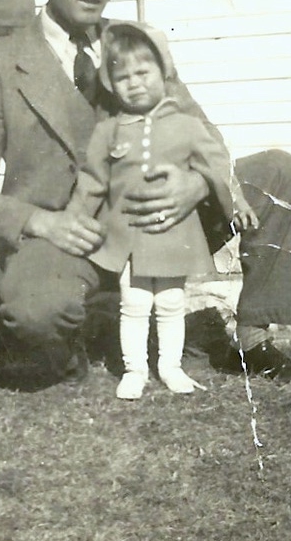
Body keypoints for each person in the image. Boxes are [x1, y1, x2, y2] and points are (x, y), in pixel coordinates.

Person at [0, 0, 291, 390]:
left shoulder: (137, 45)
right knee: (38, 327)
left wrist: (195, 183)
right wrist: (40, 222)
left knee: (277, 172)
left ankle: (250, 342)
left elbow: (203, 132)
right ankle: (16, 303)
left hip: (158, 222)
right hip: (66, 241)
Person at [69, 21, 238, 399]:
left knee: (172, 300)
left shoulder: (187, 125)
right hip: (128, 233)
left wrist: (235, 205)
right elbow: (92, 181)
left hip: (172, 230)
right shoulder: (109, 131)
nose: (135, 82)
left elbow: (216, 165)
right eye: (123, 76)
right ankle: (134, 369)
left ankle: (170, 367)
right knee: (135, 300)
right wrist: (75, 220)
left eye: (143, 72)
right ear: (111, 84)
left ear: (164, 73)